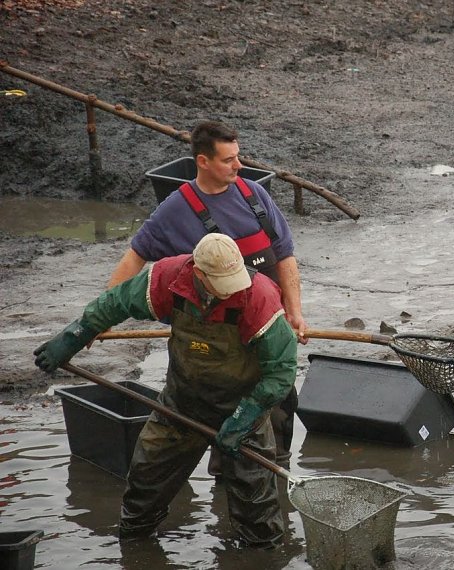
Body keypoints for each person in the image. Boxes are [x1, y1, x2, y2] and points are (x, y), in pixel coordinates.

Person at [35, 233, 297, 547]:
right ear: (199, 274)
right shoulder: (170, 278)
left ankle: (259, 554)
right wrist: (77, 333)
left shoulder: (259, 297)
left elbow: (281, 372)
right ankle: (136, 544)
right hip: (180, 403)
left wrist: (244, 418)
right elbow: (116, 302)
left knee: (258, 513)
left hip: (243, 407)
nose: (233, 288)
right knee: (144, 485)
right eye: (222, 282)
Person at [106, 119, 305, 466]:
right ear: (203, 161)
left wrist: (295, 312)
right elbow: (135, 256)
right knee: (226, 440)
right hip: (218, 352)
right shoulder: (175, 209)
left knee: (276, 427)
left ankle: (276, 478)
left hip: (266, 335)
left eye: (238, 157)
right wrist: (104, 313)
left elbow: (285, 256)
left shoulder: (254, 195)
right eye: (229, 160)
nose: (239, 166)